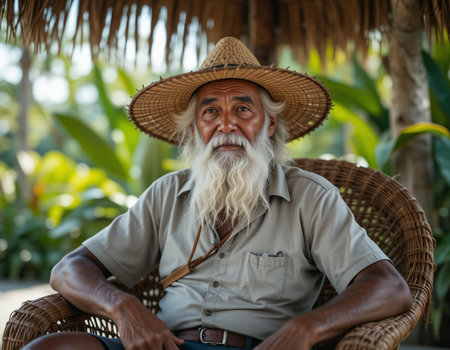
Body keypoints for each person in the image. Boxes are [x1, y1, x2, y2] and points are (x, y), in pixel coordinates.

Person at [26, 37, 412, 350]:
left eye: (243, 108)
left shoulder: (310, 198)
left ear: (270, 123)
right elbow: (68, 270)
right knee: (49, 348)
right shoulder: (167, 194)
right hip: (167, 346)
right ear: (195, 129)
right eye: (210, 112)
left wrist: (306, 328)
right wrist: (124, 307)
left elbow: (389, 287)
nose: (226, 124)